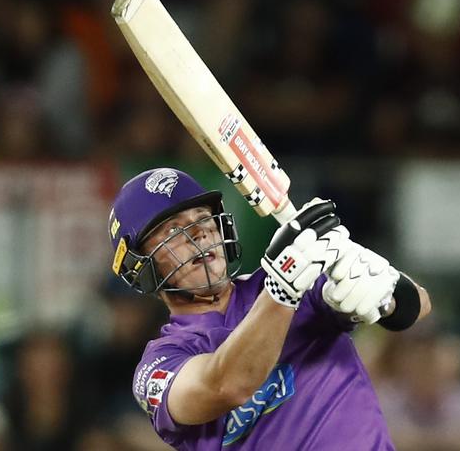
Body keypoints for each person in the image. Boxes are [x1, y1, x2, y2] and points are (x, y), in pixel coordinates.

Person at [109, 167, 432, 450]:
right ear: (142, 268)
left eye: (203, 218)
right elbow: (225, 385)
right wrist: (282, 290)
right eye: (173, 231)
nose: (199, 232)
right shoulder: (160, 364)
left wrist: (381, 291)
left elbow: (417, 307)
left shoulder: (296, 276)